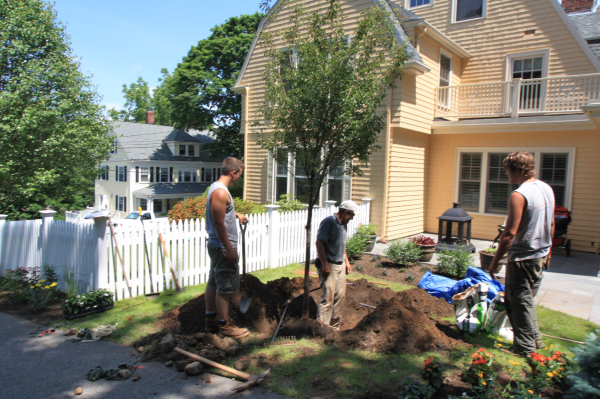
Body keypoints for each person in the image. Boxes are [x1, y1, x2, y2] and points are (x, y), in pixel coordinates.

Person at [488, 151, 555, 356]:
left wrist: (495, 263)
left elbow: (509, 234)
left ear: (517, 170)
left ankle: (524, 349)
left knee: (517, 302)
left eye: (508, 171)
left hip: (523, 258)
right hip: (541, 255)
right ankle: (535, 339)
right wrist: (549, 251)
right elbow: (551, 223)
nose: (507, 176)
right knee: (526, 300)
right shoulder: (546, 188)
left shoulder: (519, 194)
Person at [204, 157, 249, 338]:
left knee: (214, 281)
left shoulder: (216, 189)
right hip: (222, 247)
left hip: (217, 245)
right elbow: (218, 223)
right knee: (225, 286)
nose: (240, 178)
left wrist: (235, 214)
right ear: (233, 173)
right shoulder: (221, 193)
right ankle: (224, 326)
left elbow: (221, 213)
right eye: (240, 174)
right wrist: (229, 249)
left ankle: (210, 320)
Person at [315, 200, 357, 329]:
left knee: (340, 296)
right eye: (352, 215)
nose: (353, 218)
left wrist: (347, 261)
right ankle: (322, 328)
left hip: (340, 264)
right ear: (345, 212)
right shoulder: (328, 222)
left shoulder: (344, 223)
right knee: (328, 297)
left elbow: (341, 244)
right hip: (329, 265)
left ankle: (334, 328)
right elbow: (319, 243)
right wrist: (325, 264)